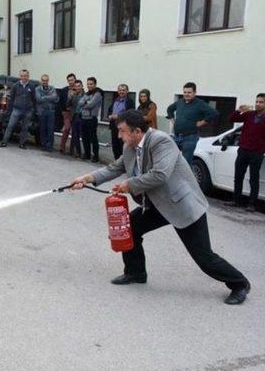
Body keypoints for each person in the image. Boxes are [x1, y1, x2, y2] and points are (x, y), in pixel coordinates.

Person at [70, 110, 250, 305]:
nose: (118, 135)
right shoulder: (130, 147)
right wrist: (87, 179)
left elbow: (160, 174)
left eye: (122, 131)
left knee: (204, 257)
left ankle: (239, 284)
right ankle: (135, 272)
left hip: (182, 205)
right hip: (156, 204)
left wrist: (129, 185)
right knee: (129, 227)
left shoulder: (161, 141)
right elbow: (114, 168)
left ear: (137, 131)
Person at [224, 94, 265, 212]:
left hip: (256, 153)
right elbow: (231, 119)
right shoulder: (249, 114)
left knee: (254, 178)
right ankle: (236, 200)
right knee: (238, 176)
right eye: (257, 101)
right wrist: (238, 110)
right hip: (243, 150)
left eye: (261, 102)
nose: (258, 104)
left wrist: (262, 149)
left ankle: (251, 204)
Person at [166, 82, 219, 164]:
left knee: (185, 164)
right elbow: (169, 109)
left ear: (194, 93)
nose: (186, 94)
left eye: (189, 92)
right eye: (185, 92)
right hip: (176, 137)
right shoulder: (180, 102)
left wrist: (202, 122)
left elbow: (214, 113)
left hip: (189, 138)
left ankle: (186, 177)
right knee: (170, 160)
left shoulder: (199, 103)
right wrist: (173, 120)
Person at [0, 69, 36, 149]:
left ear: (28, 76)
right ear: (20, 76)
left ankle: (22, 143)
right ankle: (4, 142)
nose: (24, 77)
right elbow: (11, 98)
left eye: (25, 76)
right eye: (22, 76)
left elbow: (34, 99)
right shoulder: (15, 86)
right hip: (16, 109)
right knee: (10, 126)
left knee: (25, 128)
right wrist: (9, 110)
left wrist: (33, 109)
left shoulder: (32, 86)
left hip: (28, 110)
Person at [107, 84, 135, 159]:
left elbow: (130, 113)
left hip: (124, 127)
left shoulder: (130, 101)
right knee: (115, 145)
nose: (121, 92)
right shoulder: (115, 100)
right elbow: (110, 109)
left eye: (123, 90)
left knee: (122, 145)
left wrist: (118, 116)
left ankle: (123, 163)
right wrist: (109, 115)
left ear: (127, 91)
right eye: (120, 90)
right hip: (114, 126)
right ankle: (116, 162)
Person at [78, 77, 103, 162]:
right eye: (88, 84)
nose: (89, 85)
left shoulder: (98, 94)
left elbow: (91, 105)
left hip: (92, 118)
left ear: (95, 84)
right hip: (84, 118)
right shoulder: (87, 93)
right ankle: (87, 154)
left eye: (91, 84)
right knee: (85, 137)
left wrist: (85, 103)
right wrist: (86, 102)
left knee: (93, 138)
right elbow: (80, 102)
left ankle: (95, 156)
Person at [35, 74, 59, 152]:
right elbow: (38, 99)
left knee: (50, 129)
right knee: (43, 128)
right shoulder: (37, 89)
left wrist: (44, 97)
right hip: (42, 111)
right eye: (43, 80)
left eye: (46, 80)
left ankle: (50, 146)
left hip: (50, 111)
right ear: (41, 81)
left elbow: (55, 97)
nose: (45, 82)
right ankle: (44, 145)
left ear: (48, 81)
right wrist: (49, 97)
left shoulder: (52, 88)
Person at [58, 73, 76, 155]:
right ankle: (62, 147)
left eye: (72, 80)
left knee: (74, 131)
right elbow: (60, 101)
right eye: (69, 80)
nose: (70, 82)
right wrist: (62, 111)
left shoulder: (78, 89)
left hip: (75, 113)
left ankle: (72, 150)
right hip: (66, 112)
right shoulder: (64, 90)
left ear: (75, 80)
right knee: (67, 128)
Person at [66, 79, 85, 158]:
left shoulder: (85, 95)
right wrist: (70, 96)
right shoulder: (73, 95)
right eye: (76, 86)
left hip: (82, 116)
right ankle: (78, 152)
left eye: (79, 86)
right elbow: (67, 105)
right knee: (75, 135)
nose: (77, 88)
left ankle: (86, 153)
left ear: (82, 86)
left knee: (83, 135)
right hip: (74, 116)